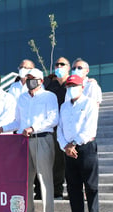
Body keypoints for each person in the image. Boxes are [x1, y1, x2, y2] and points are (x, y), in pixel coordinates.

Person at [0, 68, 58, 212]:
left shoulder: (49, 96)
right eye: (27, 78)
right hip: (24, 142)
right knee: (26, 180)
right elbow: (17, 122)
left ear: (40, 81)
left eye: (32, 78)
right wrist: (2, 128)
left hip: (42, 138)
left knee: (44, 179)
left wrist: (33, 127)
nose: (29, 81)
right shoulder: (22, 98)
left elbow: (53, 119)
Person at [57, 75, 100, 212]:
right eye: (69, 86)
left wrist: (73, 143)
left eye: (74, 86)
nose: (71, 89)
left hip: (85, 147)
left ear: (82, 87)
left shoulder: (89, 104)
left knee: (90, 185)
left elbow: (89, 128)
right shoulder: (64, 106)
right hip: (68, 150)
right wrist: (65, 146)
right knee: (73, 186)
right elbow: (60, 129)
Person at [43, 57, 71, 199]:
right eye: (57, 64)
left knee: (71, 162)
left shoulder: (72, 84)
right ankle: (57, 191)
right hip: (54, 127)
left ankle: (74, 191)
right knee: (57, 161)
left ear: (68, 67)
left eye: (62, 64)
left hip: (69, 128)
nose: (59, 66)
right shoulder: (50, 85)